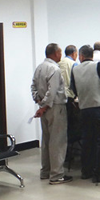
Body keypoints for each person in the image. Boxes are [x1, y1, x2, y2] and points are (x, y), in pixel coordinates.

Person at [71, 45, 100, 183]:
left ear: (81, 56)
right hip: (99, 108)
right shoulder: (98, 66)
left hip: (84, 109)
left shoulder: (75, 69)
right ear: (91, 55)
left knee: (87, 141)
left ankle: (86, 171)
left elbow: (73, 89)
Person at [32, 43, 72, 185]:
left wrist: (38, 101)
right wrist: (44, 106)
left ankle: (46, 171)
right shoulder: (54, 69)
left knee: (47, 140)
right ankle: (56, 175)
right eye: (60, 52)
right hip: (55, 107)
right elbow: (52, 90)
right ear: (55, 53)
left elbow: (33, 87)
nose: (61, 55)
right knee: (58, 141)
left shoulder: (39, 67)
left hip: (44, 108)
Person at [59, 45, 81, 146]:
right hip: (70, 97)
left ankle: (66, 150)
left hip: (59, 98)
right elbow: (76, 81)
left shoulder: (59, 63)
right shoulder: (74, 64)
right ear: (74, 53)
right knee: (72, 125)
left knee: (63, 126)